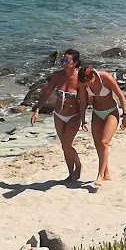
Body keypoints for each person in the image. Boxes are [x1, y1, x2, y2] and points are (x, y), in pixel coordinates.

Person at [30, 50, 85, 183]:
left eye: (67, 61)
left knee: (67, 145)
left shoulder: (79, 80)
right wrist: (37, 110)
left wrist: (83, 120)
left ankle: (78, 165)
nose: (63, 63)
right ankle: (70, 174)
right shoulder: (57, 76)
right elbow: (47, 93)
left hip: (74, 116)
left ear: (75, 63)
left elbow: (83, 101)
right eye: (62, 61)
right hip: (59, 115)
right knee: (63, 145)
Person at [78, 65, 126, 185]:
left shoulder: (106, 78)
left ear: (93, 76)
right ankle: (106, 173)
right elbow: (83, 102)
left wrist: (125, 115)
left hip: (111, 112)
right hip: (97, 113)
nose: (87, 86)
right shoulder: (82, 82)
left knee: (104, 142)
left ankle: (100, 175)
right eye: (85, 84)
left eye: (89, 82)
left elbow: (120, 96)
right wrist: (83, 120)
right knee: (98, 145)